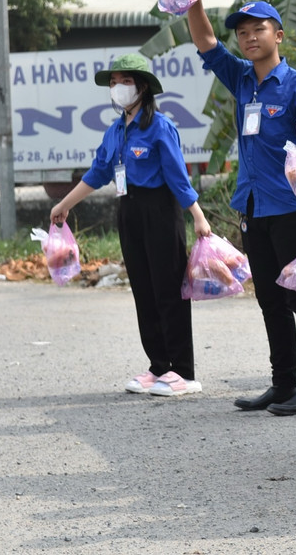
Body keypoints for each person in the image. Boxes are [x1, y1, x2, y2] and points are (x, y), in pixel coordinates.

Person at [185, 0, 296, 416]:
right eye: (243, 32)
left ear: (278, 35)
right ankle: (283, 384)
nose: (249, 38)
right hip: (253, 206)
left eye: (258, 30)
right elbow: (206, 40)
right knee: (270, 298)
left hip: (292, 207)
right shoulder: (241, 79)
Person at [50, 54, 213, 397]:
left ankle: (183, 371)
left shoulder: (160, 127)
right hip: (129, 210)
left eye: (124, 82)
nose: (117, 88)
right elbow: (98, 173)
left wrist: (197, 215)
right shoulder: (115, 131)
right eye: (113, 83)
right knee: (143, 289)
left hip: (160, 210)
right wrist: (64, 205)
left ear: (142, 87)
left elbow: (178, 178)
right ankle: (158, 366)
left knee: (168, 289)